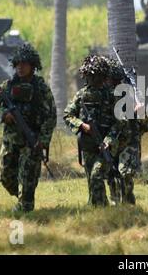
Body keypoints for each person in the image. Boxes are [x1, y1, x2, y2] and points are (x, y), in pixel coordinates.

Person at [0, 43, 57, 213]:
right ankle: (21, 197)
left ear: (33, 66)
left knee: (27, 180)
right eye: (18, 64)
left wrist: (43, 140)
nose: (20, 67)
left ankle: (25, 208)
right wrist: (5, 115)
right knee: (5, 178)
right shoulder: (7, 86)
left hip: (31, 142)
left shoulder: (41, 88)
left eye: (24, 64)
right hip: (11, 141)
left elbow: (51, 116)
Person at [63, 55, 123, 207]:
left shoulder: (111, 96)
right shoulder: (82, 95)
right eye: (90, 76)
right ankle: (98, 207)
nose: (93, 79)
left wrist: (108, 141)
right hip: (88, 145)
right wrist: (82, 125)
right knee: (91, 181)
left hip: (106, 146)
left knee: (97, 175)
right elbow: (67, 115)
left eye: (97, 76)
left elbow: (119, 123)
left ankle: (101, 208)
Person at [105, 58, 148, 205]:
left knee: (125, 174)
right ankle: (115, 205)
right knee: (112, 176)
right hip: (111, 143)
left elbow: (146, 127)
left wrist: (141, 114)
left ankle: (128, 204)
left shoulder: (131, 99)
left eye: (116, 82)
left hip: (129, 144)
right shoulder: (105, 98)